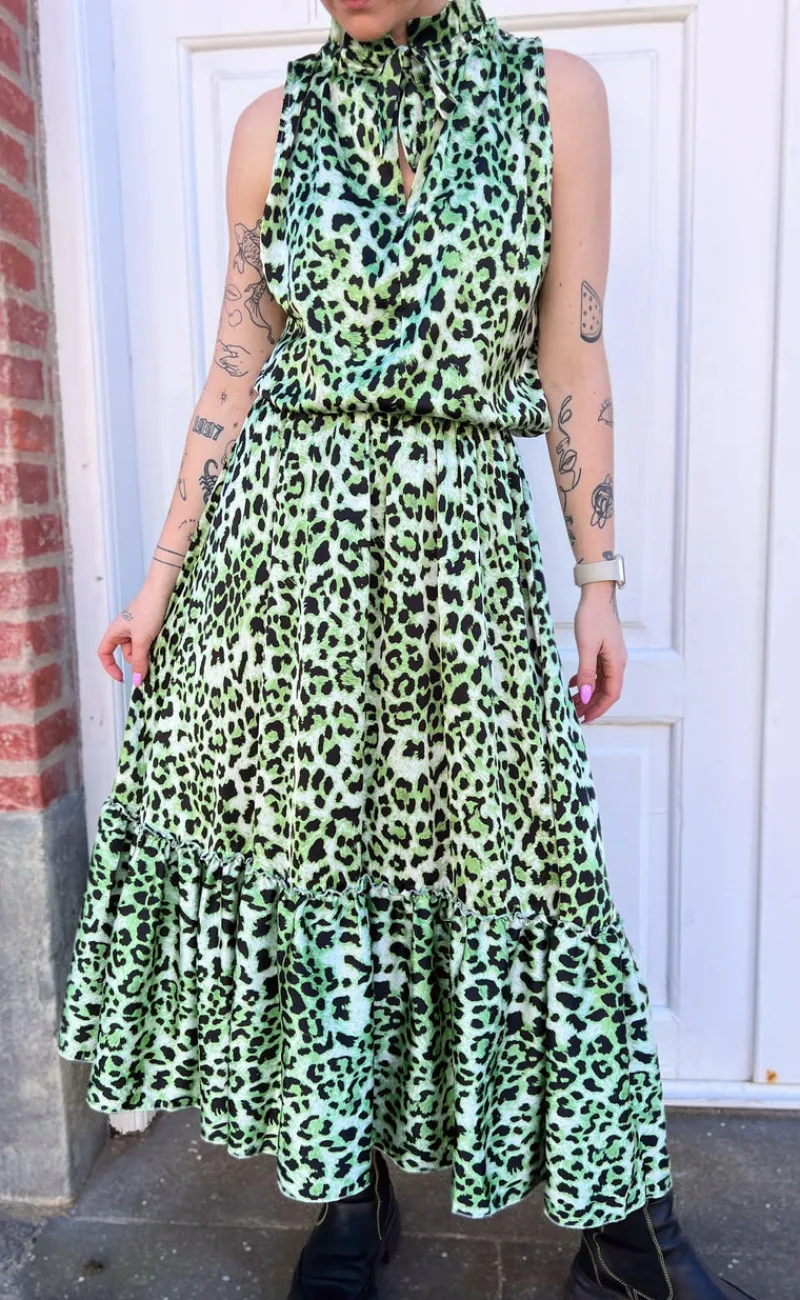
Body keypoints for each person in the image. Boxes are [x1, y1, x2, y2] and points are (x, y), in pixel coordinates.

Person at [56, 2, 752, 1298]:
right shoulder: (269, 128)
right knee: (323, 875)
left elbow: (574, 359)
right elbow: (233, 373)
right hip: (280, 568)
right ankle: (350, 1193)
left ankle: (629, 1236)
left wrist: (600, 579)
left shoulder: (557, 95)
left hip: (464, 565)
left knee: (534, 866)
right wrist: (155, 581)